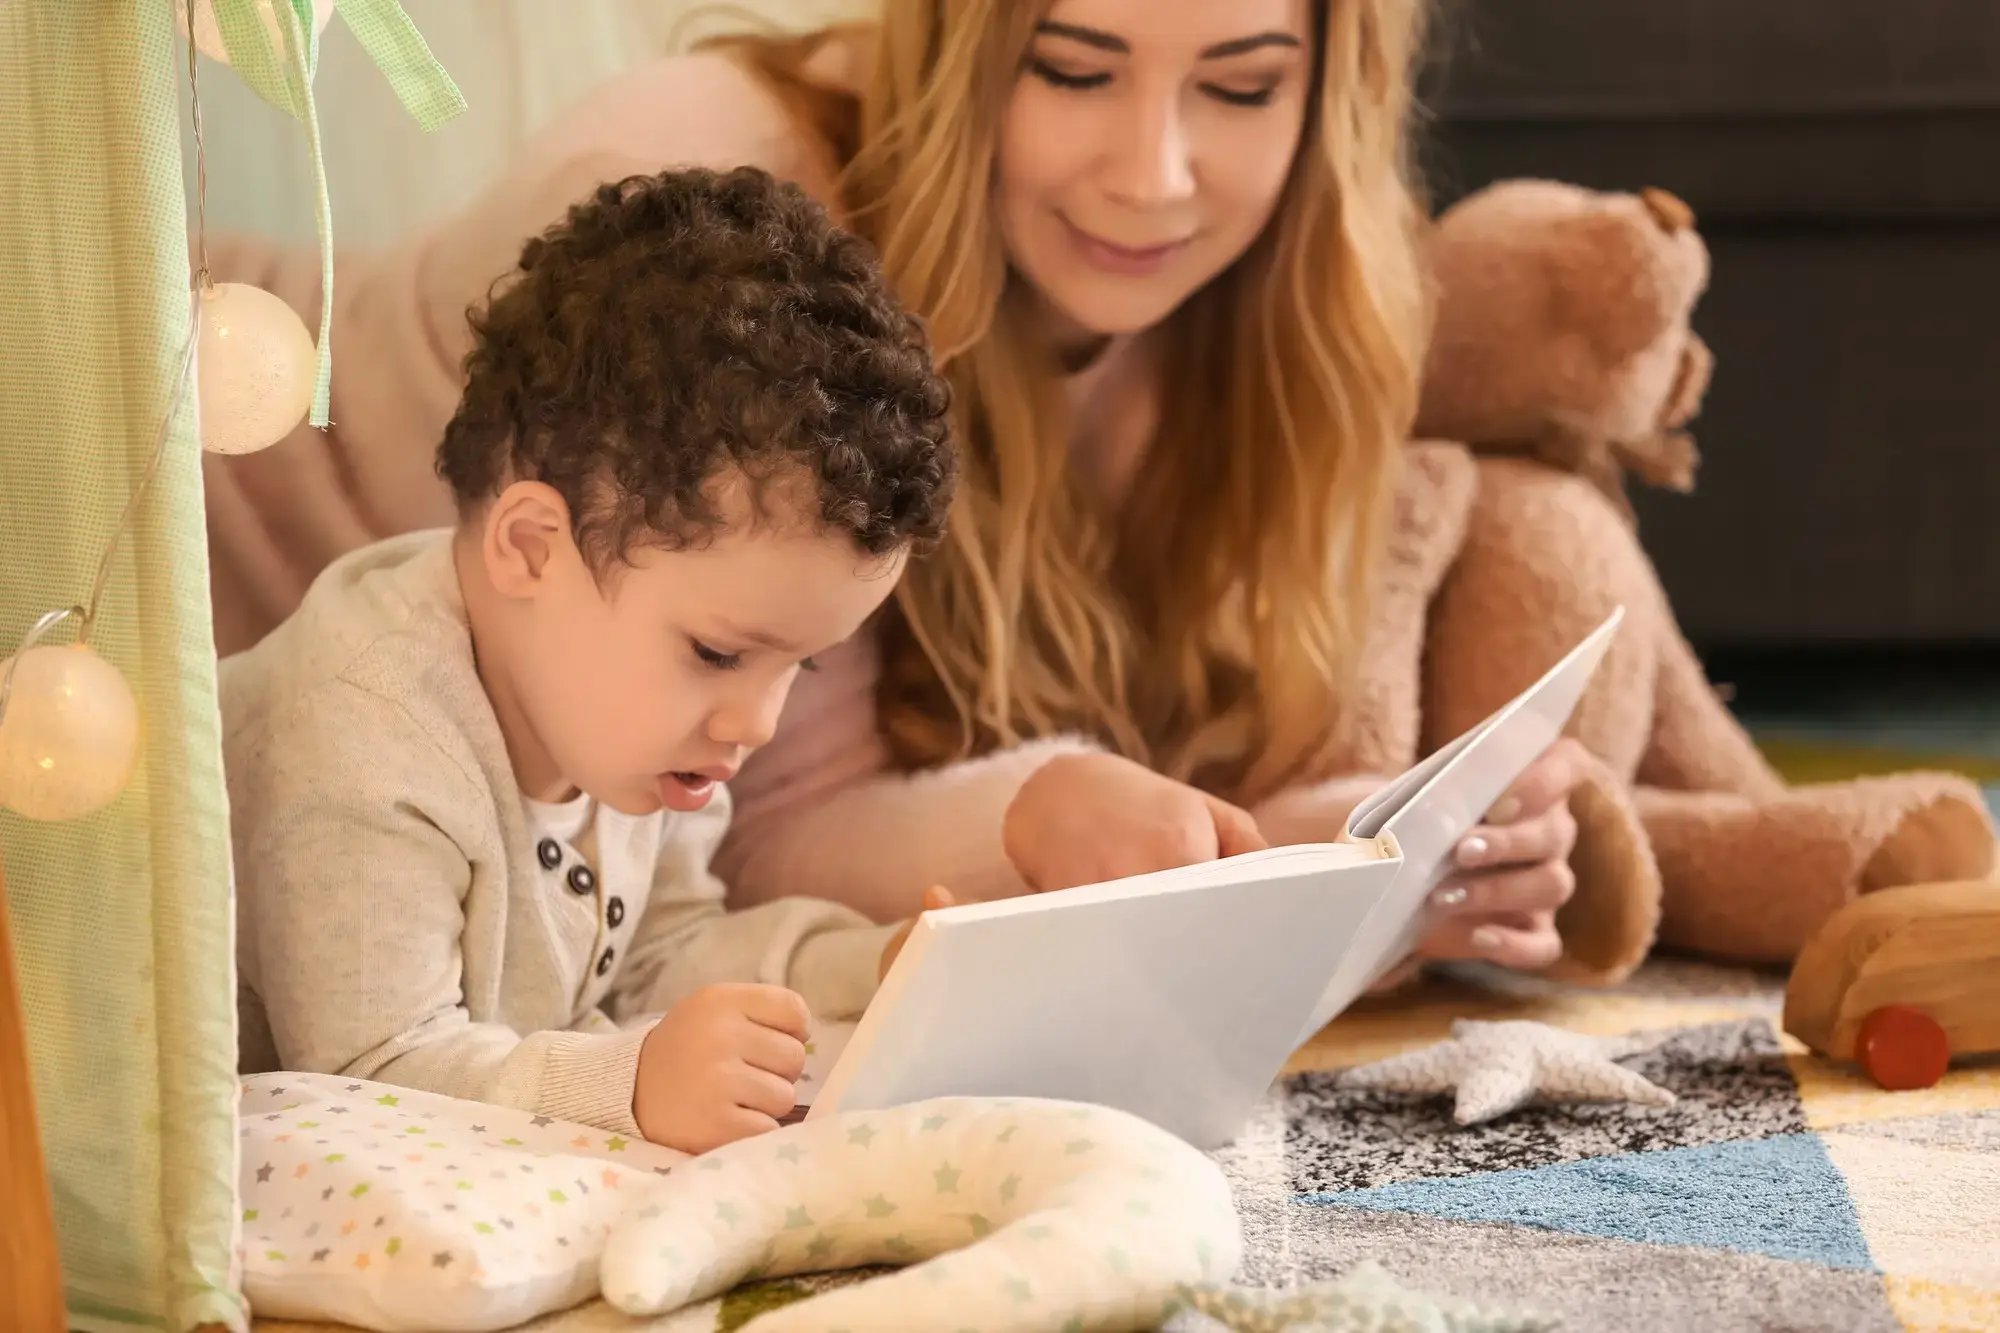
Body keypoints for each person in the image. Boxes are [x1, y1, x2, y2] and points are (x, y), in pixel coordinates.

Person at [204, 0, 1598, 982]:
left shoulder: (1219, 300)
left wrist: (1318, 865)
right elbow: (731, 827)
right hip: (161, 528)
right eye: (1072, 66)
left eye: (1240, 85)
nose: (1154, 176)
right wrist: (1032, 811)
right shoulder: (719, 214)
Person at [220, 165, 956, 1154]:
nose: (758, 721)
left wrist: (871, 971)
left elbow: (662, 955)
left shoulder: (624, 727)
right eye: (720, 651)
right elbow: (371, 1072)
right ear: (529, 547)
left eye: (801, 667)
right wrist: (631, 1087)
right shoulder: (359, 739)